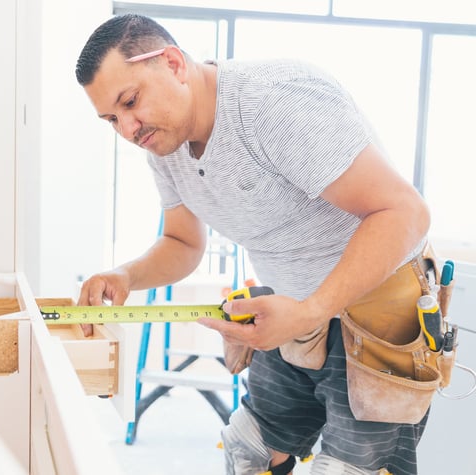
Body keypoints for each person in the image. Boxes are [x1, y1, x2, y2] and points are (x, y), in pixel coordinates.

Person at [74, 13, 435, 475]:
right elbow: (182, 242)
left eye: (130, 101)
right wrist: (126, 274)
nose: (128, 129)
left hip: (378, 313)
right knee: (249, 453)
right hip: (294, 311)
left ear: (173, 64)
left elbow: (406, 212)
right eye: (111, 119)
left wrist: (312, 309)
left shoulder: (273, 104)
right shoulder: (165, 140)